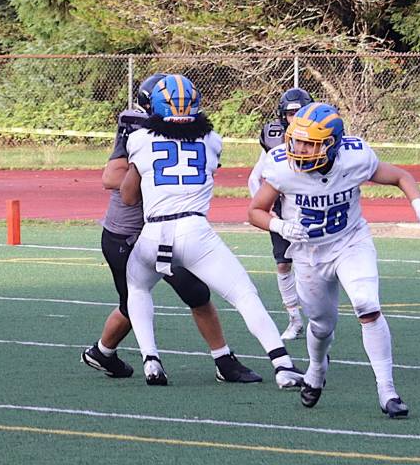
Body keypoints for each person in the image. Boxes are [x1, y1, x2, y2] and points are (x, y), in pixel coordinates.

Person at [248, 102, 420, 417]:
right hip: (309, 253)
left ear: (331, 144)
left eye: (310, 144)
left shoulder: (355, 157)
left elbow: (401, 176)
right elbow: (255, 211)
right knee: (322, 325)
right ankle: (315, 371)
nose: (300, 149)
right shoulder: (282, 166)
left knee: (367, 305)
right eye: (297, 141)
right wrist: (281, 225)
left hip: (351, 242)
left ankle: (387, 390)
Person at [119, 73, 306, 388]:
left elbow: (128, 195)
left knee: (137, 288)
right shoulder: (212, 140)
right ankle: (282, 364)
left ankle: (151, 360)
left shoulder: (138, 140)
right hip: (195, 232)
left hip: (153, 233)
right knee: (244, 294)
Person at [82, 73, 261, 384]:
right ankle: (112, 353)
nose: (180, 114)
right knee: (134, 302)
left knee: (195, 293)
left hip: (166, 229)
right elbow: (110, 177)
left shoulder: (175, 129)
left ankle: (222, 360)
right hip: (128, 233)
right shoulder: (136, 130)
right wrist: (143, 173)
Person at [247, 87, 311, 340]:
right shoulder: (273, 137)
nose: (295, 118)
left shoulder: (323, 130)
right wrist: (263, 206)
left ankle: (317, 317)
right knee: (283, 264)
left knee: (314, 267)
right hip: (284, 213)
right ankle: (294, 319)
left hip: (313, 210)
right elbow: (256, 177)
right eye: (290, 113)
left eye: (299, 112)